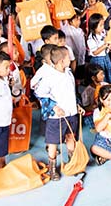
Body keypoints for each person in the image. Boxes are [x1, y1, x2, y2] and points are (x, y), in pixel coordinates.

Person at [34, 46, 80, 180]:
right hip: (56, 117)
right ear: (61, 61)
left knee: (71, 137)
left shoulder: (69, 73)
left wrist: (77, 105)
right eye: (67, 58)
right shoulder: (49, 77)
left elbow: (71, 92)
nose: (70, 60)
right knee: (53, 142)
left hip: (71, 113)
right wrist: (54, 108)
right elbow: (40, 94)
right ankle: (53, 169)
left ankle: (72, 164)